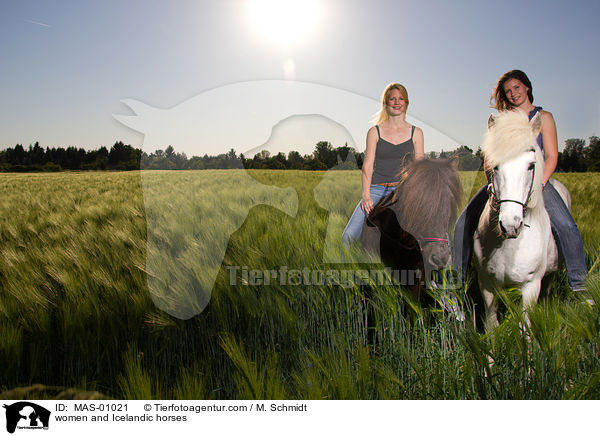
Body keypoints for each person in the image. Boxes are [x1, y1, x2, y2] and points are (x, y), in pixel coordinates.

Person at [452, 69, 587, 294]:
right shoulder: (502, 120)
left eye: (517, 87)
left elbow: (552, 156)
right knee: (462, 223)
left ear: (527, 87)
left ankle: (580, 286)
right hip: (504, 182)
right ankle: (456, 285)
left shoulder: (544, 118)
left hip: (535, 180)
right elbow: (490, 157)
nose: (513, 94)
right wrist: (493, 184)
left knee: (566, 225)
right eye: (508, 91)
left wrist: (539, 185)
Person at [342, 83, 424, 245]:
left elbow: (419, 167)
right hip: (376, 189)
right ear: (385, 103)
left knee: (435, 230)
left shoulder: (416, 133)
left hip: (404, 190)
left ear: (406, 103)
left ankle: (448, 264)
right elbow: (367, 166)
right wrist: (366, 195)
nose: (396, 102)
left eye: (401, 99)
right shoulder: (374, 132)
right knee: (348, 238)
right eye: (392, 99)